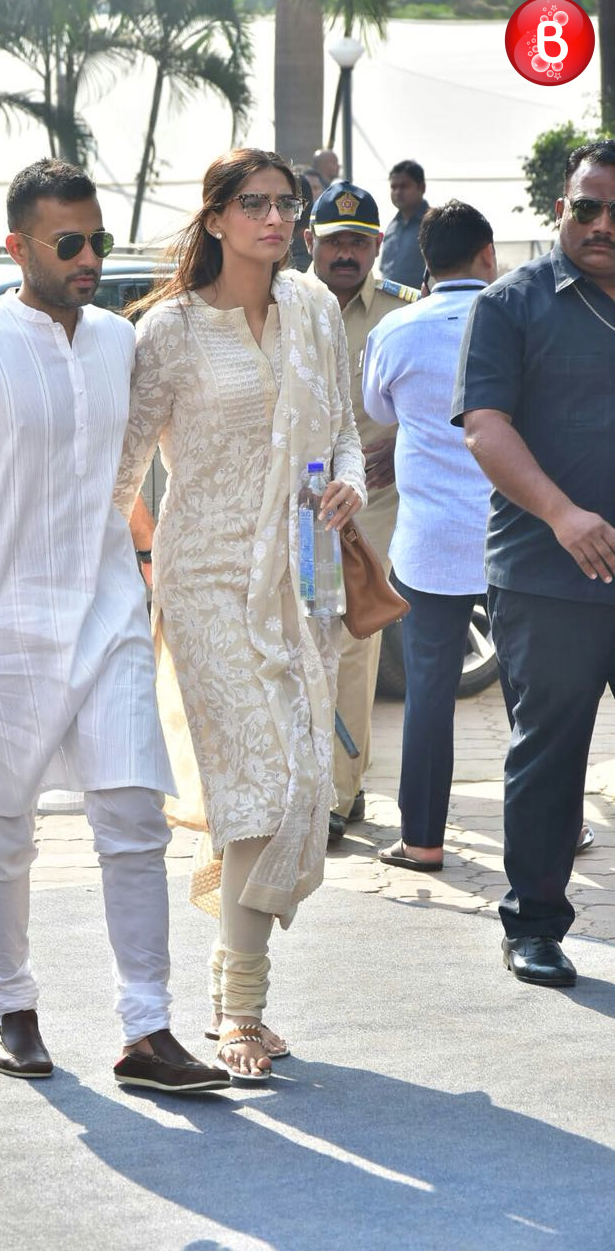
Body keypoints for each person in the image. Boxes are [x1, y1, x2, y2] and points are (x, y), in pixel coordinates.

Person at [0, 158, 229, 1092]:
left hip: (107, 614)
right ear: (17, 246)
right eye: (68, 243)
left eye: (99, 241)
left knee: (133, 818)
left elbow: (135, 470)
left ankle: (147, 1030)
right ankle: (11, 1007)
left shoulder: (121, 341)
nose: (89, 258)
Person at [115, 148, 366, 1081]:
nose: (276, 221)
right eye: (254, 205)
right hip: (207, 579)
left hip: (296, 582)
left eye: (285, 206)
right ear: (215, 218)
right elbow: (124, 472)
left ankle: (236, 985)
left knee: (303, 783)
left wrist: (342, 486)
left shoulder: (310, 309)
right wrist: (134, 569)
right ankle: (240, 1015)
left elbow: (340, 428)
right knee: (259, 785)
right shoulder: (168, 333)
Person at [452, 139, 615, 988]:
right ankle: (535, 924)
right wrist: (562, 513)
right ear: (560, 209)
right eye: (585, 207)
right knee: (550, 754)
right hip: (552, 575)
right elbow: (485, 425)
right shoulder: (513, 303)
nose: (600, 225)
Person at [362, 200, 497, 870]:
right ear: (488, 254)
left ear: (424, 261)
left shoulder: (397, 329)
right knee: (536, 700)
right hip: (516, 538)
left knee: (429, 697)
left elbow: (376, 407)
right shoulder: (517, 317)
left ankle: (422, 840)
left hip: (429, 545)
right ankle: (560, 830)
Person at [304, 180, 418, 838]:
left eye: (359, 241)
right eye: (334, 240)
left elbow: (443, 401)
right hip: (288, 502)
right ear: (309, 241)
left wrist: (400, 447)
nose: (346, 253)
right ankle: (320, 782)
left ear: (377, 244)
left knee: (350, 646)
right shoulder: (280, 303)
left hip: (369, 503)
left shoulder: (404, 312)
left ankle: (337, 798)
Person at [380, 160, 428, 290]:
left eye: (404, 186)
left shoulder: (433, 223)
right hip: (389, 302)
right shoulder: (392, 226)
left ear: (421, 187)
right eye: (394, 187)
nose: (397, 192)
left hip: (421, 303)